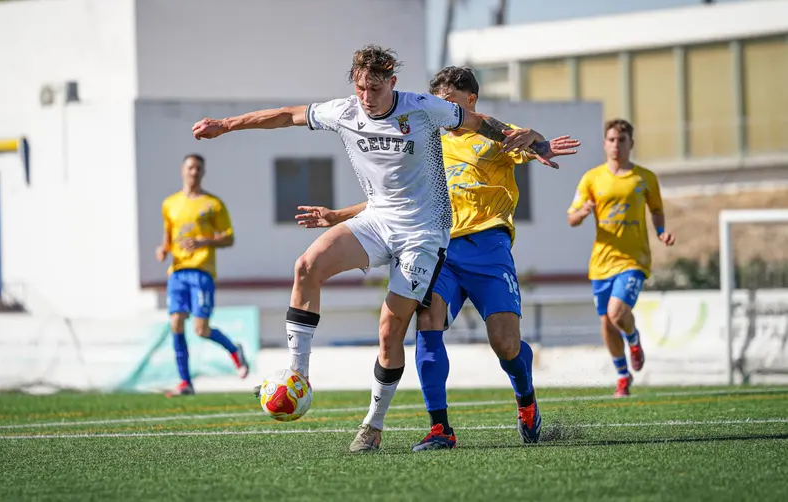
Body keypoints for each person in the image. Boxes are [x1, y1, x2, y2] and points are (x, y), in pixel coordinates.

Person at [191, 45, 553, 452]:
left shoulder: (421, 108)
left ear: (392, 84)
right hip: (378, 221)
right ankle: (299, 374)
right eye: (361, 87)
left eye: (375, 88)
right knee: (307, 266)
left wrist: (530, 140)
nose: (367, 97)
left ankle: (373, 424)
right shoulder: (345, 111)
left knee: (390, 331)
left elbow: (478, 120)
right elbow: (286, 116)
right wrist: (226, 124)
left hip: (425, 234)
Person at [295, 66, 581, 450]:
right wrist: (337, 216)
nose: (441, 110)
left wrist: (537, 141)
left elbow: (528, 140)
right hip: (439, 247)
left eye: (448, 103)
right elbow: (392, 200)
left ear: (470, 101)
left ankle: (525, 397)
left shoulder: (491, 134)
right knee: (427, 323)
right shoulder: (429, 138)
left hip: (488, 250)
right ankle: (440, 428)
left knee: (506, 344)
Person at [567, 119, 675, 398]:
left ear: (631, 144)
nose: (616, 145)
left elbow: (657, 210)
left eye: (622, 140)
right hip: (601, 262)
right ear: (605, 143)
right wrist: (583, 212)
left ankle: (634, 339)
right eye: (612, 140)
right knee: (606, 322)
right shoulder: (592, 178)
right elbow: (572, 218)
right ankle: (622, 376)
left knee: (617, 313)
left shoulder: (645, 178)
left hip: (633, 260)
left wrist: (661, 231)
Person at [157, 154, 249, 397]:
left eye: (198, 168)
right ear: (182, 170)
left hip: (202, 271)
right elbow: (168, 236)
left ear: (203, 172)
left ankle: (234, 350)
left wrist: (201, 242)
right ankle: (185, 382)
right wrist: (163, 249)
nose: (194, 172)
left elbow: (229, 238)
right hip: (177, 272)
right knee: (175, 322)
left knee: (200, 329)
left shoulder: (213, 204)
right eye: (190, 167)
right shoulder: (170, 204)